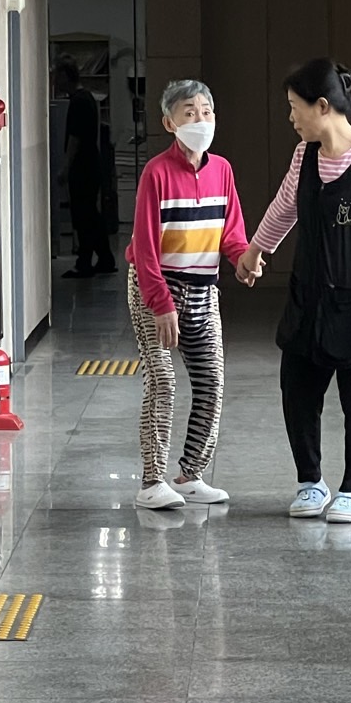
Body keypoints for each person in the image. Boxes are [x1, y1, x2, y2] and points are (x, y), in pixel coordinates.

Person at [237, 58, 351, 525]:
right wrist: (255, 250)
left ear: (323, 106)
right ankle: (310, 481)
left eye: (295, 107)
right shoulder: (304, 156)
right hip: (307, 299)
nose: (290, 117)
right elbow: (284, 208)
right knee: (297, 392)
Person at [127, 79, 254, 510]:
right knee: (162, 381)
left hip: (203, 289)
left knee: (211, 382)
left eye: (206, 111)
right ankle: (151, 482)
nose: (200, 119)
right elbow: (145, 248)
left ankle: (190, 475)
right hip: (156, 287)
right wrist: (161, 304)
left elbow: (231, 233)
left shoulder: (222, 170)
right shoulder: (156, 173)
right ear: (169, 123)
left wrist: (242, 260)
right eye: (189, 112)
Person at [54, 54, 116, 279]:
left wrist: (65, 167)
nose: (55, 81)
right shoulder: (87, 98)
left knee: (83, 215)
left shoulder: (78, 102)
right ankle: (104, 258)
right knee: (90, 214)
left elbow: (75, 138)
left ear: (66, 76)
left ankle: (85, 262)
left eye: (58, 76)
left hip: (82, 167)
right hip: (91, 164)